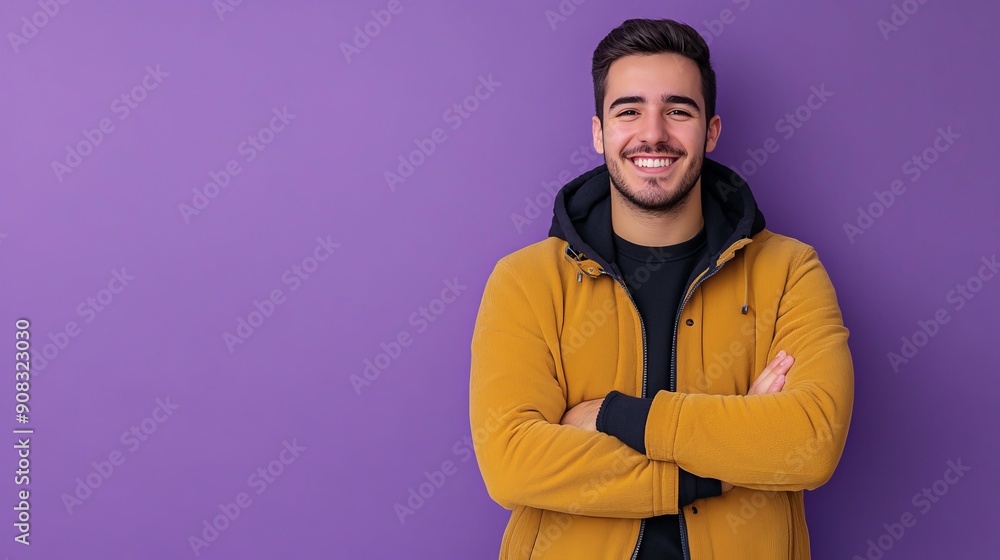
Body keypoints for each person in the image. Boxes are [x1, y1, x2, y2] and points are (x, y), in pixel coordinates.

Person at [469, 18, 853, 559]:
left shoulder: (790, 270)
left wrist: (611, 415)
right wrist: (720, 462)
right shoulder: (526, 281)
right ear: (600, 131)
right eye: (629, 110)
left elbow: (810, 443)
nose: (653, 133)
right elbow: (511, 463)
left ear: (711, 131)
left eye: (678, 110)